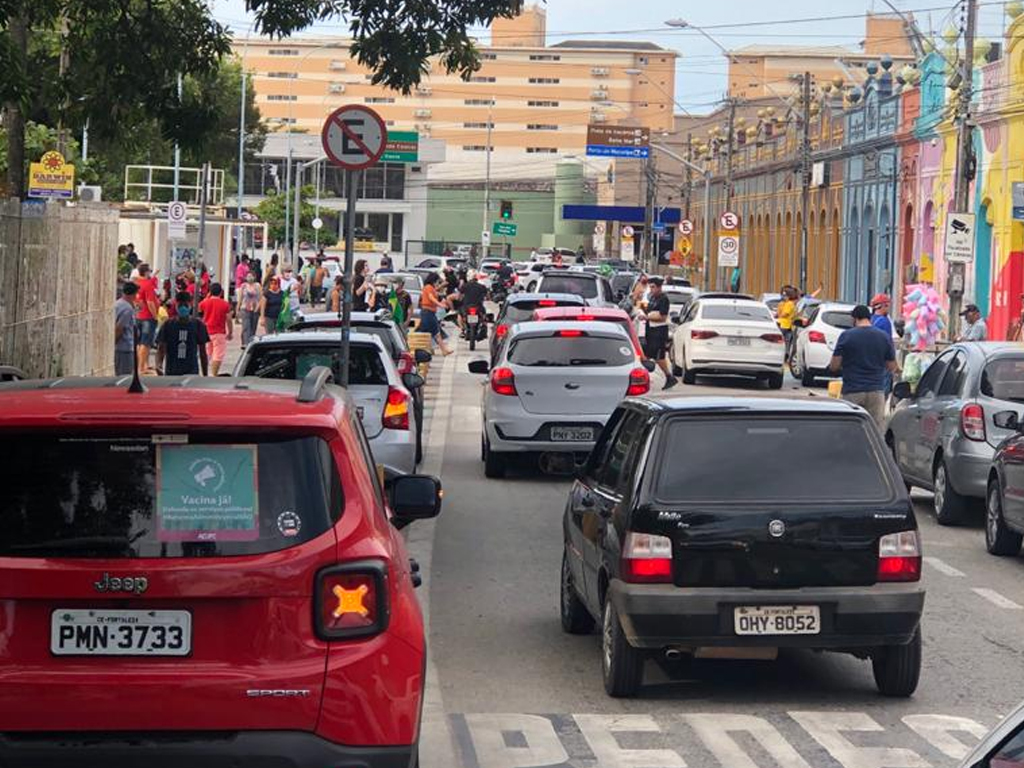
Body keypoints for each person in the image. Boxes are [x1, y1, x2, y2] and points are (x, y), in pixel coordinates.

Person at [829, 304, 898, 429]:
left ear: (854, 319)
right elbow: (892, 366)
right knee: (875, 432)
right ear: (869, 318)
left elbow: (834, 365)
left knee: (850, 430)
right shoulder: (883, 337)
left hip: (852, 391)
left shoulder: (847, 336)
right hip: (876, 391)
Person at [156, 292, 210, 376]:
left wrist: (205, 374)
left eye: (185, 305)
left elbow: (203, 352)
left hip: (191, 372)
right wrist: (159, 365)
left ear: (190, 305)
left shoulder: (198, 325)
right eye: (180, 305)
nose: (183, 308)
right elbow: (161, 348)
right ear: (176, 305)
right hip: (172, 371)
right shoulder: (168, 325)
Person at [644, 277, 678, 389]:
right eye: (650, 287)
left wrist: (647, 317)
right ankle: (647, 377)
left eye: (653, 287)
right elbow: (649, 311)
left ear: (659, 287)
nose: (651, 289)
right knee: (648, 354)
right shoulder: (653, 298)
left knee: (658, 356)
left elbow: (662, 317)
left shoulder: (664, 299)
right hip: (650, 330)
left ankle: (669, 377)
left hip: (659, 331)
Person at [198, 283, 233, 376]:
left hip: (206, 331)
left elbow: (198, 309)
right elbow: (228, 319)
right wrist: (230, 332)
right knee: (218, 355)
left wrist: (207, 297)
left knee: (208, 353)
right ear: (221, 292)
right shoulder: (225, 304)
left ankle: (205, 372)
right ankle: (214, 374)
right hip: (219, 332)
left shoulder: (205, 302)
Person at [133, 263, 161, 375]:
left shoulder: (137, 283)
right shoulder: (147, 284)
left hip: (139, 316)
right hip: (147, 317)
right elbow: (150, 302)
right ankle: (141, 367)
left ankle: (143, 364)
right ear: (146, 272)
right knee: (145, 342)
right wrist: (155, 316)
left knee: (140, 343)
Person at [419, 272, 453, 356]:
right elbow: (431, 298)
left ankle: (430, 350)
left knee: (428, 332)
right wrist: (440, 304)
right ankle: (443, 350)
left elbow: (436, 291)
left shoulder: (430, 288)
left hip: (429, 312)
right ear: (433, 280)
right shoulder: (428, 287)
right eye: (437, 281)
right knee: (436, 332)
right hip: (428, 312)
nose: (437, 283)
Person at [114, 282, 139, 375]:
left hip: (120, 347)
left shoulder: (118, 304)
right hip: (124, 348)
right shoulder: (127, 309)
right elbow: (119, 328)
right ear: (133, 294)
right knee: (125, 375)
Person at [238, 272, 262, 348]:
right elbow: (240, 298)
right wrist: (238, 308)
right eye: (248, 276)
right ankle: (245, 343)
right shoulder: (243, 286)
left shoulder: (257, 286)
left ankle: (251, 342)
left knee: (253, 326)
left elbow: (261, 297)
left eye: (251, 276)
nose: (250, 277)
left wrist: (259, 307)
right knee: (246, 326)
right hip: (245, 308)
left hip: (255, 308)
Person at [776, 287, 799, 360]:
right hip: (786, 325)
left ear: (789, 296)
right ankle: (786, 354)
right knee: (787, 341)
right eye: (783, 295)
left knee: (783, 341)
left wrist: (779, 315)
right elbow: (778, 313)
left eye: (785, 295)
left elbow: (785, 314)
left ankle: (785, 354)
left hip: (784, 325)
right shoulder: (783, 303)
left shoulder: (789, 304)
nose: (783, 296)